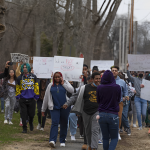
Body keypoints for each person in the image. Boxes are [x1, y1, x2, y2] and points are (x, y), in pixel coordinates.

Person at [63, 72, 101, 150]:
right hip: (86, 111)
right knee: (87, 130)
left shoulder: (102, 88)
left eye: (99, 78)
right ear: (92, 79)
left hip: (97, 112)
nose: (98, 80)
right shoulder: (84, 88)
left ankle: (94, 147)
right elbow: (75, 96)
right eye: (96, 79)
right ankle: (90, 145)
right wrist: (67, 103)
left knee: (95, 129)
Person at [41, 71, 74, 148]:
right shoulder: (50, 85)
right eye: (55, 77)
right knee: (54, 123)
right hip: (54, 107)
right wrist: (43, 109)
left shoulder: (65, 83)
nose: (57, 78)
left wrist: (63, 83)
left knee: (64, 123)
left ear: (61, 77)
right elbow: (46, 98)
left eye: (59, 77)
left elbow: (72, 90)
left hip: (65, 107)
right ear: (53, 78)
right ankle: (52, 140)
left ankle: (62, 140)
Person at [97, 70, 121, 150]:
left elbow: (98, 100)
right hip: (113, 114)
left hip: (102, 114)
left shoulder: (99, 87)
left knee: (105, 138)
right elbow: (118, 99)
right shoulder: (117, 87)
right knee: (114, 138)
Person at [16, 63, 39, 133]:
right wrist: (18, 96)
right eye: (23, 67)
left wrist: (36, 96)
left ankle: (31, 122)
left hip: (32, 99)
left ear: (28, 68)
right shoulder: (19, 77)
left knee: (31, 114)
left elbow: (36, 86)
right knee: (23, 114)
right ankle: (24, 128)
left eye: (26, 67)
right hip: (22, 99)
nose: (24, 69)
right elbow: (17, 87)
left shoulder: (34, 77)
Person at [127, 63, 147, 130]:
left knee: (144, 113)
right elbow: (129, 76)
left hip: (144, 98)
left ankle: (143, 121)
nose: (140, 73)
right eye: (139, 72)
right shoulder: (135, 79)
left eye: (142, 72)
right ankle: (140, 126)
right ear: (137, 73)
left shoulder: (146, 80)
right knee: (138, 112)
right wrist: (127, 68)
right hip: (137, 98)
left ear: (144, 73)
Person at [111, 66, 129, 140]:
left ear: (118, 72)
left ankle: (117, 132)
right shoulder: (107, 81)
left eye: (115, 70)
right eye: (113, 70)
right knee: (110, 117)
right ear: (111, 71)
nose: (114, 71)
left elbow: (125, 91)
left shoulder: (122, 81)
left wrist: (125, 97)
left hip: (119, 102)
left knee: (118, 117)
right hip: (109, 103)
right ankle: (110, 133)